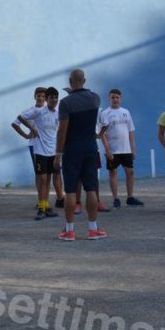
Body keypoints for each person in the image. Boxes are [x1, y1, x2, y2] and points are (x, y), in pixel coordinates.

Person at [54, 69, 106, 241]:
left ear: (69, 81)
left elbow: (62, 131)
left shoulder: (65, 103)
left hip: (72, 150)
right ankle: (93, 229)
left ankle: (69, 230)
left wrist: (58, 154)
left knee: (70, 190)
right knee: (91, 188)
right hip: (90, 148)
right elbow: (84, 98)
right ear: (84, 80)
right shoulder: (95, 98)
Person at [16, 86, 61, 220]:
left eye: (55, 98)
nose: (53, 100)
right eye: (51, 97)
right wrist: (31, 129)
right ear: (47, 99)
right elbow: (20, 117)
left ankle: (46, 206)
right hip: (40, 151)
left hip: (53, 152)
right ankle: (41, 208)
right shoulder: (39, 112)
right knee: (42, 180)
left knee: (48, 180)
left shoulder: (58, 113)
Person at [99, 89, 143, 209]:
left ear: (120, 99)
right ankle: (116, 199)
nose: (115, 99)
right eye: (113, 97)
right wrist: (107, 150)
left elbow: (131, 131)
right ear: (109, 99)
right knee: (113, 173)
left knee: (130, 172)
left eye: (117, 97)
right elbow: (102, 134)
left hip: (126, 149)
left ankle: (130, 198)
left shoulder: (126, 112)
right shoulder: (105, 113)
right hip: (113, 150)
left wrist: (133, 148)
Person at [12, 87, 47, 212]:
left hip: (49, 147)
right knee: (39, 174)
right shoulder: (30, 111)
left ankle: (45, 201)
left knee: (47, 176)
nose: (41, 98)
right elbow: (15, 123)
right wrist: (27, 135)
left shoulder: (50, 111)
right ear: (35, 97)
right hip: (35, 146)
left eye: (43, 96)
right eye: (39, 96)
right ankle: (40, 201)